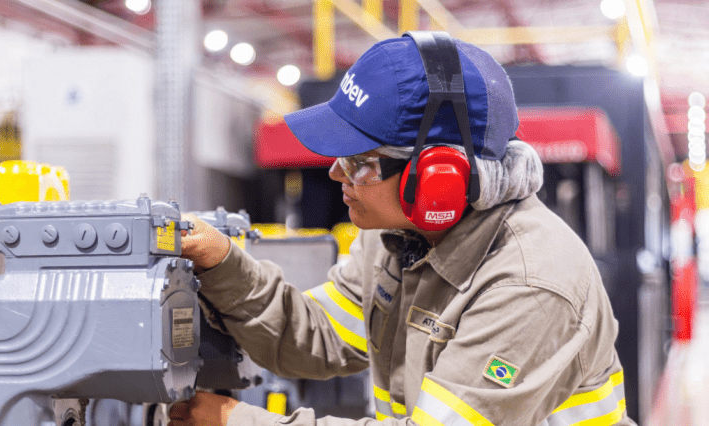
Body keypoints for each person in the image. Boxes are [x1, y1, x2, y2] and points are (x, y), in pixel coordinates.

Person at [169, 32, 635, 426]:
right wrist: (222, 261)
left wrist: (237, 420)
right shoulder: (398, 241)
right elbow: (313, 335)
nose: (336, 174)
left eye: (359, 163)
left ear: (437, 178)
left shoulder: (531, 285)